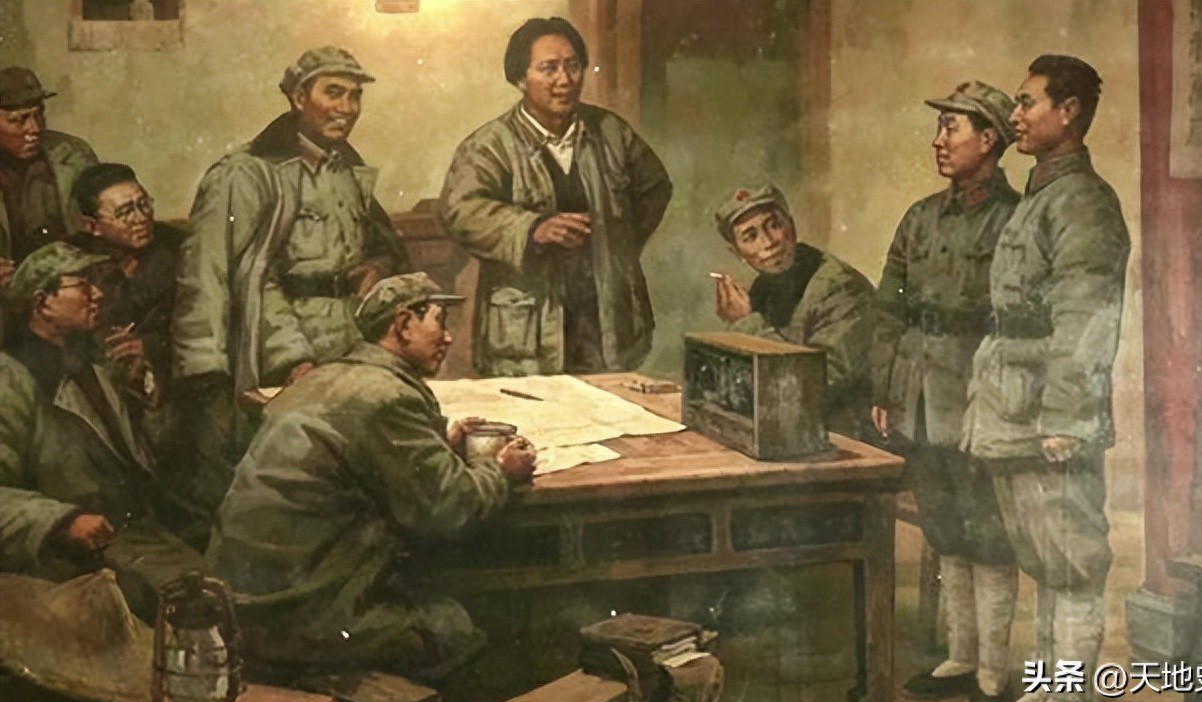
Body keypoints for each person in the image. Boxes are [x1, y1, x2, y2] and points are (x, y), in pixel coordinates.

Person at [207, 272, 538, 691]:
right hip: (293, 617)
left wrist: (439, 441)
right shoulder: (389, 397)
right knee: (456, 624)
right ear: (403, 324)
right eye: (439, 321)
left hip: (239, 604)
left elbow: (364, 451)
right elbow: (451, 507)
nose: (449, 337)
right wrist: (501, 471)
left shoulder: (321, 379)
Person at [170, 46, 407, 522]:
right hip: (273, 353)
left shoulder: (346, 168)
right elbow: (219, 276)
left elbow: (384, 244)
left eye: (355, 96)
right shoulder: (247, 172)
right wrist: (287, 359)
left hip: (347, 345)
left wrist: (377, 267)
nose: (346, 108)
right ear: (299, 98)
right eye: (333, 93)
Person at [960, 56, 1130, 702]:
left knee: (1073, 558)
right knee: (1043, 556)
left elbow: (1086, 318)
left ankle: (1073, 700)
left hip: (1050, 418)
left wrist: (1065, 417)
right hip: (1014, 410)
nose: (1016, 116)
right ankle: (1053, 688)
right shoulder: (1042, 195)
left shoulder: (1083, 200)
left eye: (1028, 103)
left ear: (1070, 111)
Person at [869, 80, 1021, 702]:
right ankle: (960, 655)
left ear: (988, 140)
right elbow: (888, 307)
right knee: (944, 526)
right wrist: (886, 386)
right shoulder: (920, 217)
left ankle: (993, 670)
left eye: (951, 128)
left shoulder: (1014, 220)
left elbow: (1021, 324)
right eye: (940, 128)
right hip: (921, 394)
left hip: (980, 395)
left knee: (990, 530)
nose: (938, 140)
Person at [441, 16, 672, 376]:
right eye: (548, 69)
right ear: (520, 79)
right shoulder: (489, 145)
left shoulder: (611, 132)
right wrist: (532, 229)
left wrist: (615, 246)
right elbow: (460, 211)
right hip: (525, 332)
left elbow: (655, 188)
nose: (564, 80)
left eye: (573, 66)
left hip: (606, 325)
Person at [0, 242, 196, 589]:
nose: (98, 294)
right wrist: (63, 522)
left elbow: (151, 459)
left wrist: (145, 387)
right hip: (66, 559)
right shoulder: (9, 380)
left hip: (138, 534)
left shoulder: (95, 364)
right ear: (42, 304)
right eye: (82, 284)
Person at [712, 182, 875, 438]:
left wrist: (746, 323)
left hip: (841, 435)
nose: (768, 242)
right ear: (738, 253)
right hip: (791, 427)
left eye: (774, 225)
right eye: (750, 236)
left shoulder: (840, 288)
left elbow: (816, 386)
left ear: (792, 227)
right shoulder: (766, 285)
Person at [68, 162, 184, 404]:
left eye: (144, 204)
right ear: (92, 226)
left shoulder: (178, 249)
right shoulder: (72, 262)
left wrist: (150, 347)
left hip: (170, 381)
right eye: (125, 212)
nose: (141, 218)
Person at [0, 66, 98, 269]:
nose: (34, 128)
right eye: (18, 120)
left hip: (72, 274)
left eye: (39, 115)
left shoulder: (74, 154)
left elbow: (101, 220)